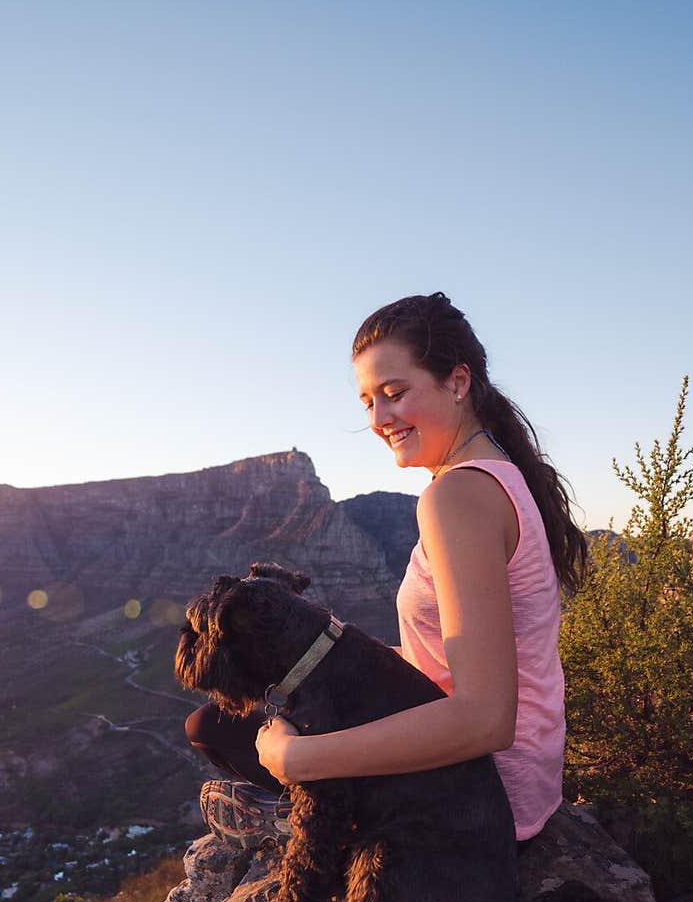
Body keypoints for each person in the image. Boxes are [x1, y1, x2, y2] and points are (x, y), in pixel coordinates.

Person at [186, 291, 588, 849]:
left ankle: (303, 821)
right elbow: (458, 666)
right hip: (518, 781)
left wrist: (301, 758)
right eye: (368, 402)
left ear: (458, 381)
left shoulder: (457, 497)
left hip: (473, 801)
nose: (380, 419)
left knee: (214, 730)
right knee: (254, 707)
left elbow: (486, 719)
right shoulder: (497, 473)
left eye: (395, 394)